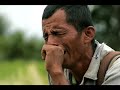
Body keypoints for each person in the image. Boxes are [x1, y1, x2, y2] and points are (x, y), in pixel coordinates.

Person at [41, 5, 120, 85]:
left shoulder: (117, 69)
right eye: (46, 36)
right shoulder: (59, 67)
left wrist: (56, 74)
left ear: (88, 34)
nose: (50, 43)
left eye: (58, 33)